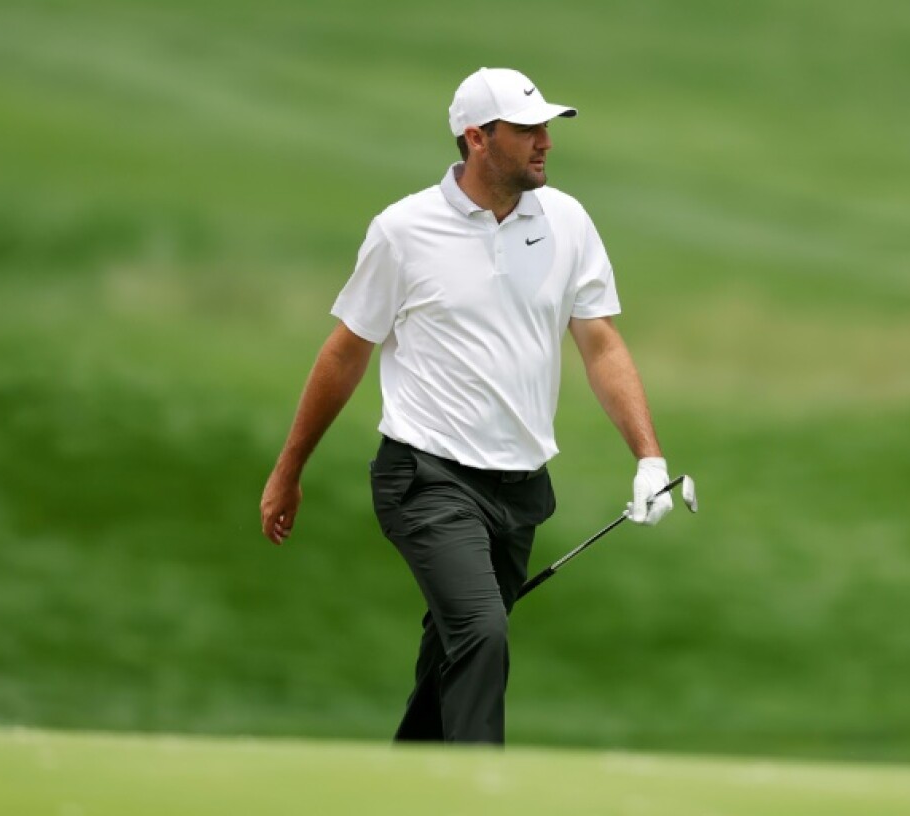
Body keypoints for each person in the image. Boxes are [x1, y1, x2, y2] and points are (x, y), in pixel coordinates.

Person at [259, 67, 675, 745]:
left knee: (452, 653)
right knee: (482, 633)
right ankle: (480, 792)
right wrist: (288, 469)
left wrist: (648, 456)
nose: (545, 141)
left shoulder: (566, 221)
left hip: (519, 488)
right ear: (477, 138)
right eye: (527, 129)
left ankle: (404, 785)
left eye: (547, 127)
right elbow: (345, 353)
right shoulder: (405, 231)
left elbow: (600, 343)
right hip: (428, 480)